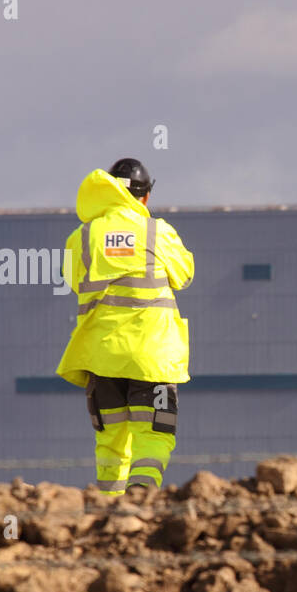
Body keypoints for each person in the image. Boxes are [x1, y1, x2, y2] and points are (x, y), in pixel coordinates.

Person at [56, 158, 194, 496]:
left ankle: (109, 514)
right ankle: (141, 497)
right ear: (144, 197)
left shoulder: (82, 236)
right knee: (153, 435)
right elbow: (185, 275)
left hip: (101, 357)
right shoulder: (157, 231)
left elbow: (75, 282)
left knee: (110, 441)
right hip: (152, 358)